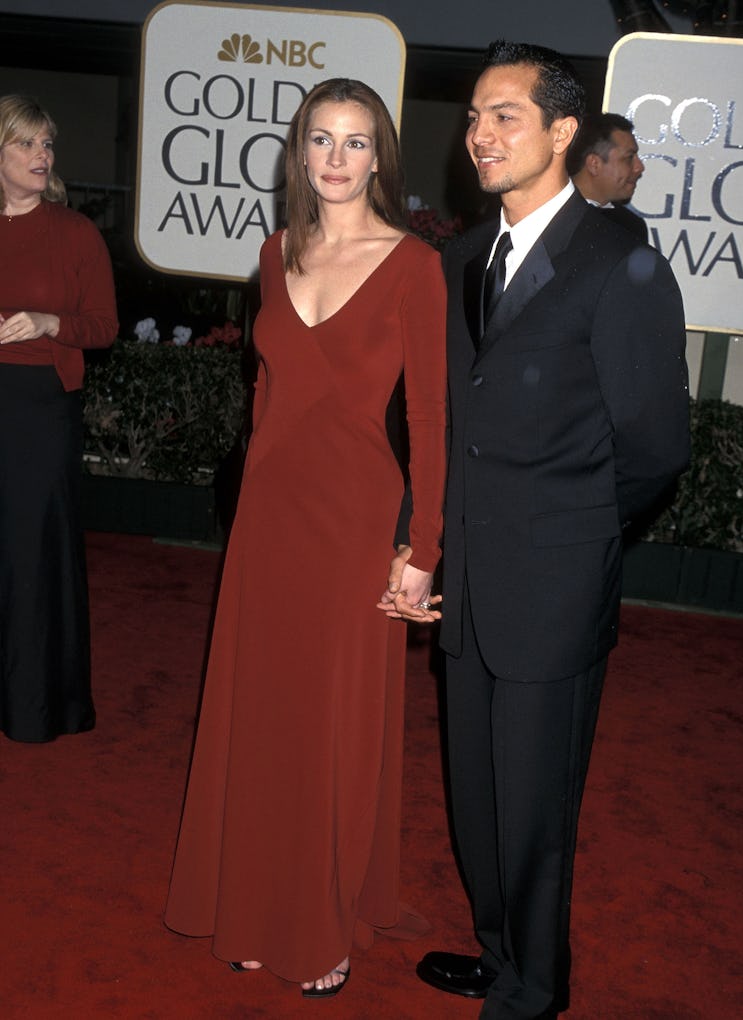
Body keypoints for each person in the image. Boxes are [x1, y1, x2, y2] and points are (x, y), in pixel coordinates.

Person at [379, 40, 690, 1019]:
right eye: (473, 116)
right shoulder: (460, 257)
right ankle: (497, 950)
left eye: (504, 115)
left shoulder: (619, 262)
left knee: (536, 808)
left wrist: (575, 541)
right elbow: (433, 422)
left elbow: (654, 445)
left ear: (563, 132)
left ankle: (533, 991)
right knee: (475, 794)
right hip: (465, 581)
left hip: (551, 587)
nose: (479, 134)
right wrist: (418, 542)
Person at [164, 78, 447, 998]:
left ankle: (318, 919)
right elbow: (266, 399)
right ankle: (248, 905)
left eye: (356, 142)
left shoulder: (413, 265)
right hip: (270, 520)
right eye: (320, 140)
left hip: (358, 522)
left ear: (380, 158)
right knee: (262, 713)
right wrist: (244, 504)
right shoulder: (274, 250)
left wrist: (423, 549)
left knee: (330, 723)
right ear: (299, 153)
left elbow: (433, 421)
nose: (335, 158)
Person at [0, 94, 118, 743]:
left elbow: (103, 330)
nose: (41, 156)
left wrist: (51, 323)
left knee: (31, 554)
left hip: (41, 411)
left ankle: (34, 704)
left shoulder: (74, 233)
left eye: (47, 145)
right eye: (26, 144)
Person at [567, 111, 648, 241]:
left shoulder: (632, 227)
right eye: (629, 158)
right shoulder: (545, 211)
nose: (639, 167)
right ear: (594, 164)